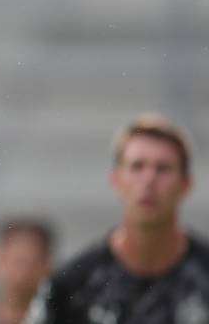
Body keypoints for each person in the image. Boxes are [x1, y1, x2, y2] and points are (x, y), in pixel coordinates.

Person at [27, 113, 208, 323]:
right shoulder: (71, 288)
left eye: (163, 169)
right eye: (137, 166)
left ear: (186, 185)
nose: (149, 180)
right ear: (116, 180)